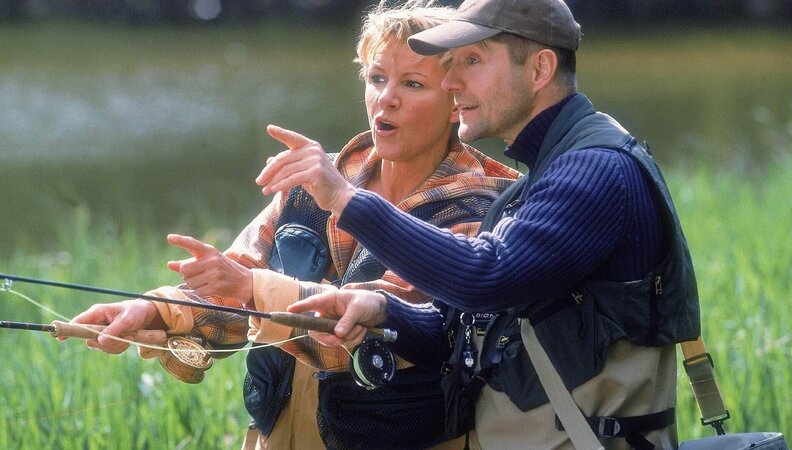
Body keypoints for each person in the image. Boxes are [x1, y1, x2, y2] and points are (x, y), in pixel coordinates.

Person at [68, 2, 520, 450]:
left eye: (413, 83)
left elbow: (388, 324)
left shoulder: (477, 209)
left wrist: (250, 287)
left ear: (456, 104)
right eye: (377, 78)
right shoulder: (314, 181)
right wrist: (154, 311)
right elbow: (235, 278)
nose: (386, 98)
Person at [259, 0, 702, 449]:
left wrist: (345, 198)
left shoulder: (595, 171)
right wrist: (382, 310)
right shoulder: (540, 179)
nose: (451, 82)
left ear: (539, 69)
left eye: (472, 60)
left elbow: (487, 275)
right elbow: (455, 335)